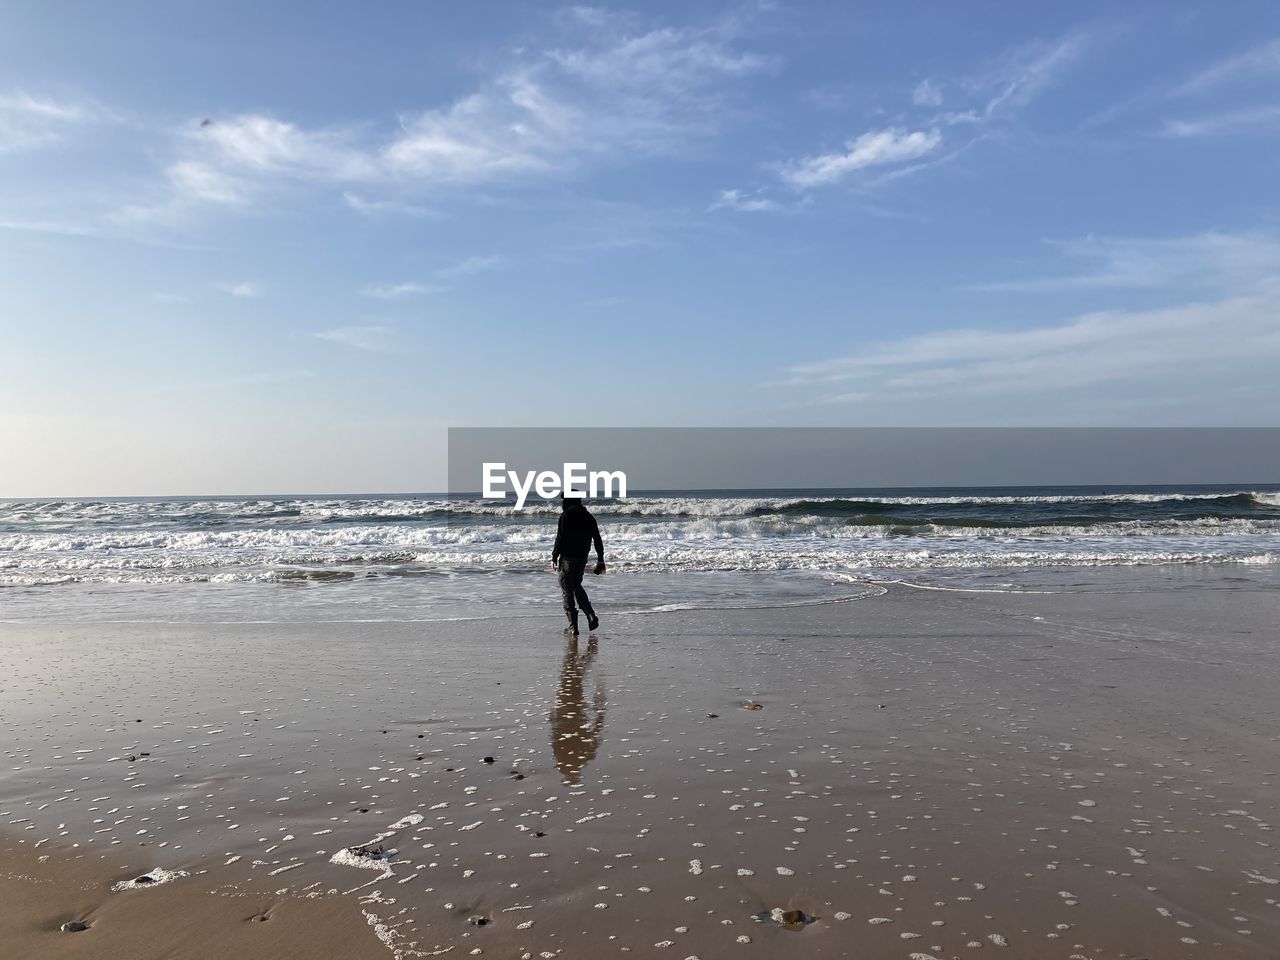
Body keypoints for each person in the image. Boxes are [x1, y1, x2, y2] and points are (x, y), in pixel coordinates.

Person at [550, 493, 605, 635]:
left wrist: (554, 556)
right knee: (575, 585)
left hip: (567, 558)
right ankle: (590, 615)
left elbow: (560, 538)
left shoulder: (565, 516)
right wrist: (600, 559)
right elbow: (597, 539)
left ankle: (572, 626)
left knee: (567, 590)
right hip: (582, 558)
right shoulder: (589, 517)